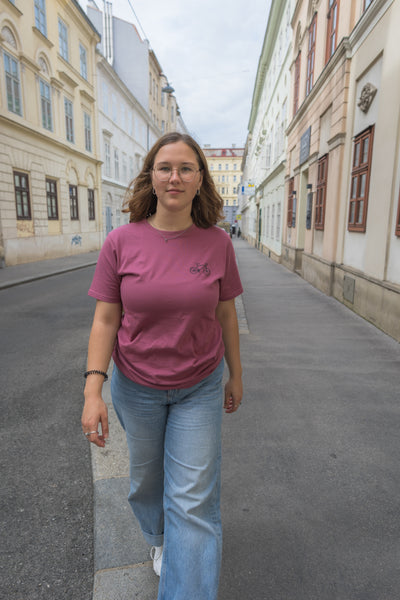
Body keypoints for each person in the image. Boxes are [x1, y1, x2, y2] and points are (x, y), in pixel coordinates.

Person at [81, 132, 243, 600]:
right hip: (137, 385)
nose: (175, 176)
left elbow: (226, 312)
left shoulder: (216, 243)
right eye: (165, 167)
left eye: (186, 168)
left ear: (199, 181)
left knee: (192, 501)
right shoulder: (120, 241)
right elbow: (106, 318)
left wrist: (236, 373)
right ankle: (158, 539)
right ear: (151, 177)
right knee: (146, 482)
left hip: (200, 384)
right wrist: (94, 390)